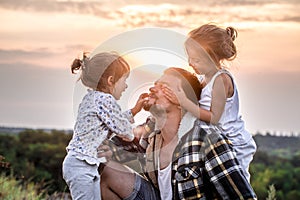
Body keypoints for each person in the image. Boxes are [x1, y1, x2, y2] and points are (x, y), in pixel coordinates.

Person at [100, 67, 257, 200]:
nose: (152, 89)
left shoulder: (207, 139)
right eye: (155, 84)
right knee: (107, 172)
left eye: (164, 86)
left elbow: (243, 196)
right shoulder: (150, 134)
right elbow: (106, 143)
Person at [162, 24, 256, 182]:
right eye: (189, 58)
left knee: (235, 182)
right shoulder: (202, 78)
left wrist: (183, 101)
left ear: (212, 58)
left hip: (233, 141)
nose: (191, 63)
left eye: (196, 60)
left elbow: (214, 117)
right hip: (214, 140)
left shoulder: (220, 80)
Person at [62, 52, 148, 200]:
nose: (126, 86)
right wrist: (135, 135)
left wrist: (134, 111)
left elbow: (114, 120)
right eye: (124, 80)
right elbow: (123, 130)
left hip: (84, 165)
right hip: (82, 166)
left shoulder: (93, 98)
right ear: (110, 80)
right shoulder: (104, 100)